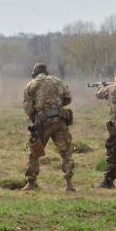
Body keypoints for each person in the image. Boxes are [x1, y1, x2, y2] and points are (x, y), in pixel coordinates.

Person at [22, 63, 76, 192]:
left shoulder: (31, 85)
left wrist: (35, 116)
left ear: (34, 72)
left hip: (42, 123)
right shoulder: (58, 81)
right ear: (47, 71)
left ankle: (30, 183)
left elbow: (28, 107)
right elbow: (68, 98)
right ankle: (69, 185)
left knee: (35, 152)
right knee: (66, 153)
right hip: (59, 120)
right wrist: (56, 105)